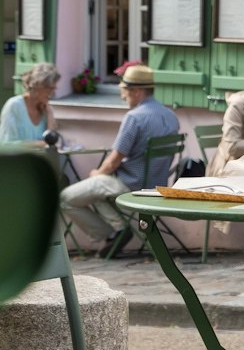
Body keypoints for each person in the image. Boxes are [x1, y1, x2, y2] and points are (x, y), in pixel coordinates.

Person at [60, 63, 179, 256]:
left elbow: (114, 160)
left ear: (138, 91)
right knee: (97, 192)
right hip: (157, 185)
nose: (122, 96)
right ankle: (118, 230)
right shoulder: (171, 116)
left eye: (124, 91)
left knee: (65, 199)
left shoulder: (134, 118)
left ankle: (111, 233)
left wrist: (96, 174)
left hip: (132, 185)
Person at [0, 63, 60, 143]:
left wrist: (49, 113)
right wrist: (39, 145)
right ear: (37, 86)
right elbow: (7, 145)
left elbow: (52, 142)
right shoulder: (14, 106)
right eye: (49, 89)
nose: (52, 93)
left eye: (54, 89)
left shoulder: (45, 109)